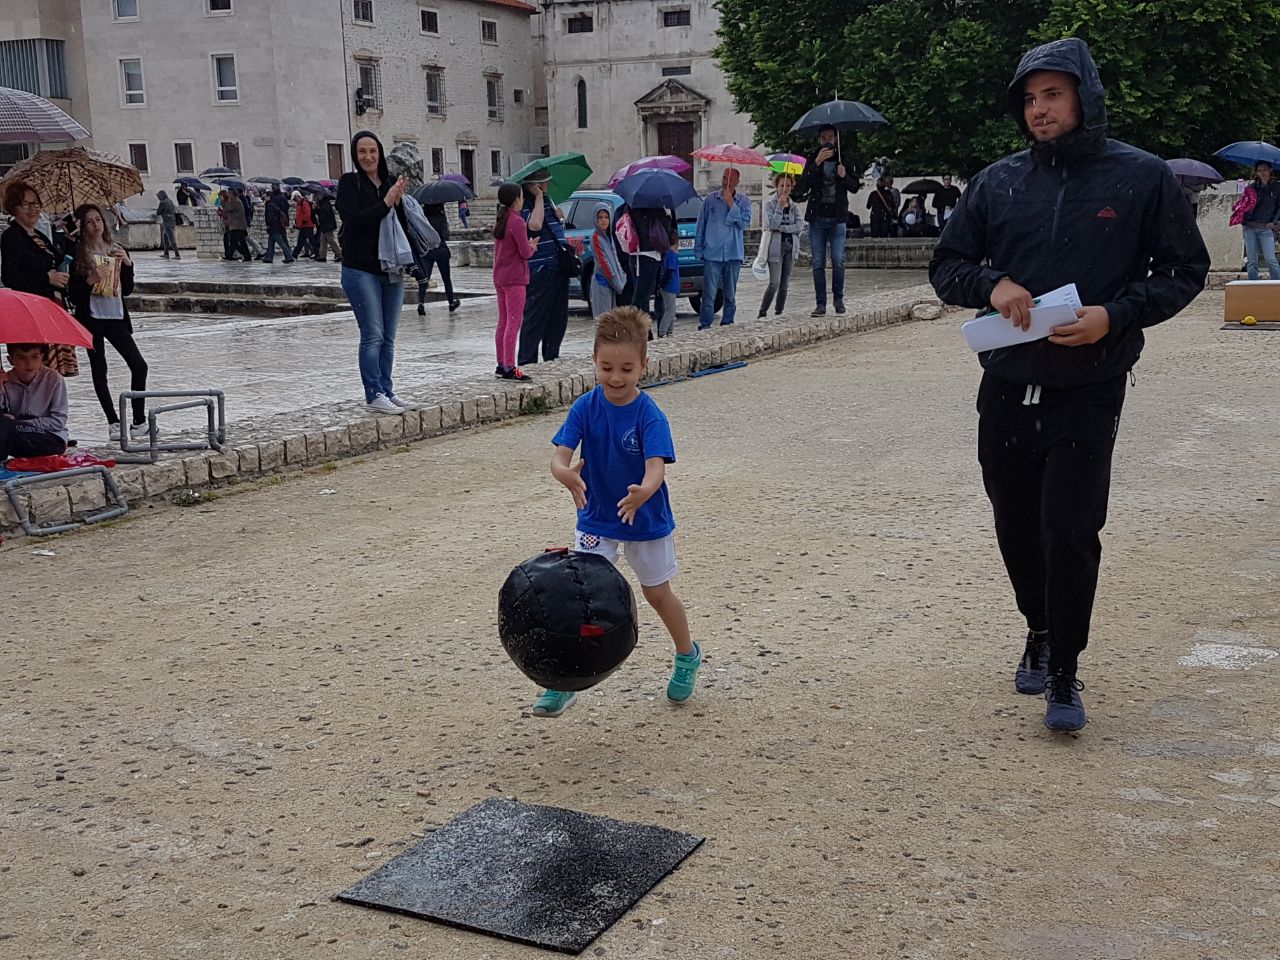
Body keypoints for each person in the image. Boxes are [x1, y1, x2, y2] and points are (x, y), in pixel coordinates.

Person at [929, 37, 1209, 733]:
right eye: (1029, 97)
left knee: (1071, 528)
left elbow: (1183, 271)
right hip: (1007, 383)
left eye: (1053, 94)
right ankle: (1039, 627)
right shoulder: (997, 182)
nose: (1039, 109)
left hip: (1090, 384)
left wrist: (1114, 317)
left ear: (1084, 96)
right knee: (1015, 520)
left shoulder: (1140, 179)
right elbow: (948, 266)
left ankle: (1065, 670)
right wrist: (993, 285)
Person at [538, 306, 700, 717]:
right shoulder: (585, 408)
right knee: (581, 594)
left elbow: (656, 467)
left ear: (644, 366)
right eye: (607, 367)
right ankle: (565, 679)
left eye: (626, 368)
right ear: (594, 362)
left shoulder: (649, 414)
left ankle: (686, 655)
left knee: (656, 594)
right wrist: (564, 475)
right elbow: (560, 456)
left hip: (644, 518)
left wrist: (644, 492)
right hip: (597, 518)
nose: (616, 377)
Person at [337, 128, 411, 413]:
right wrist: (386, 202)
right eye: (362, 152)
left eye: (372, 151)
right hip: (360, 269)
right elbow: (354, 222)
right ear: (356, 156)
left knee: (389, 337)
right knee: (373, 334)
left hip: (390, 269)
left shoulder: (390, 182)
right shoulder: (349, 184)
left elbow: (401, 225)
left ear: (380, 153)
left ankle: (387, 390)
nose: (368, 156)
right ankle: (373, 393)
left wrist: (400, 201)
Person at [67, 204, 150, 441]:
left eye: (98, 220)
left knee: (139, 365)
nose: (95, 225)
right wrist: (89, 280)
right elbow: (73, 295)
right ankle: (113, 421)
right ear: (82, 226)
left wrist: (128, 265)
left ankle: (139, 420)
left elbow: (128, 289)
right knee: (99, 369)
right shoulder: (78, 255)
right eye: (89, 221)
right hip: (92, 318)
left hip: (115, 316)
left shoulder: (115, 249)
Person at [798, 124, 856, 316]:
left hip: (837, 217)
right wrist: (816, 163)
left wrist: (844, 175)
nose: (827, 140)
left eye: (830, 137)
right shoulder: (813, 158)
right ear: (819, 140)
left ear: (836, 138)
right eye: (824, 137)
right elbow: (803, 186)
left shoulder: (843, 157)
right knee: (818, 262)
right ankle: (820, 303)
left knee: (838, 260)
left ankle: (838, 299)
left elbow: (855, 186)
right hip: (817, 218)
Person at [517, 169, 572, 366]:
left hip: (558, 267)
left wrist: (558, 216)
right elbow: (535, 225)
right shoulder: (525, 205)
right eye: (543, 184)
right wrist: (539, 197)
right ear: (534, 186)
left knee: (557, 319)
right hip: (541, 268)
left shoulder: (548, 203)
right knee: (535, 317)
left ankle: (551, 357)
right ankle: (526, 361)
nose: (547, 186)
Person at [694, 167, 751, 329]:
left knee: (730, 294)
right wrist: (699, 249)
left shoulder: (744, 201)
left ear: (737, 182)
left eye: (730, 179)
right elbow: (701, 224)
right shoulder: (710, 200)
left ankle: (727, 322)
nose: (726, 182)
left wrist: (731, 204)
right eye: (724, 178)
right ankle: (705, 324)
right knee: (709, 293)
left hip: (733, 253)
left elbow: (744, 223)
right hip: (712, 253)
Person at [491, 182, 535, 381]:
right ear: (516, 199)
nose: (523, 200)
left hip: (500, 276)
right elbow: (524, 252)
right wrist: (532, 246)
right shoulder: (517, 221)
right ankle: (510, 366)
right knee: (514, 322)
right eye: (522, 196)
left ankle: (501, 363)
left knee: (503, 321)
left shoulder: (502, 219)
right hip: (515, 278)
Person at [0, 343, 68, 461]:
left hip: (50, 438)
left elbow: (58, 421)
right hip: (18, 436)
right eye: (21, 358)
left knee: (6, 426)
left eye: (35, 357)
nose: (29, 363)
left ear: (43, 357)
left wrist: (21, 424)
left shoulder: (54, 379)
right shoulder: (6, 380)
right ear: (11, 360)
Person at [758, 172, 803, 317]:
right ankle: (763, 311)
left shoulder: (794, 206)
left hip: (790, 246)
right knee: (774, 283)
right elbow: (771, 224)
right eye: (782, 185)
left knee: (785, 284)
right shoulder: (769, 205)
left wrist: (784, 228)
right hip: (775, 248)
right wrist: (780, 207)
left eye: (788, 186)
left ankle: (779, 311)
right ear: (777, 187)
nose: (785, 189)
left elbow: (799, 226)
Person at [627, 205, 675, 332]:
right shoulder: (657, 208)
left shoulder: (630, 205)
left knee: (642, 294)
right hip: (649, 254)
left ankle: (644, 330)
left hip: (634, 254)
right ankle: (638, 329)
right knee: (642, 296)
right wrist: (667, 216)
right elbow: (666, 231)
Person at [416, 201, 461, 315]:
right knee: (446, 279)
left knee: (425, 278)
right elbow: (446, 235)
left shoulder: (423, 218)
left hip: (428, 250)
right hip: (441, 250)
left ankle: (421, 303)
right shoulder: (441, 217)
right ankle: (451, 302)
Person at [1238, 161, 1280, 280]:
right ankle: (1252, 285)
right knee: (1252, 260)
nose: (1263, 173)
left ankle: (1277, 286)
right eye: (1260, 170)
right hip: (1250, 227)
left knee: (1270, 259)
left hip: (1266, 227)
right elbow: (1244, 207)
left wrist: (1274, 222)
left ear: (1270, 170)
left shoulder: (1276, 187)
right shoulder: (1251, 188)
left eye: (1265, 170)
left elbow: (1278, 207)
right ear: (1256, 172)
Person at [589, 204, 626, 319]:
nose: (604, 220)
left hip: (612, 284)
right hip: (603, 283)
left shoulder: (610, 237)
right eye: (600, 217)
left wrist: (622, 278)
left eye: (606, 217)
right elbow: (603, 263)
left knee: (611, 319)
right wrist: (615, 280)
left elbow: (615, 260)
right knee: (603, 319)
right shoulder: (596, 238)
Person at [263, 186, 294, 264]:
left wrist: (268, 225)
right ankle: (269, 257)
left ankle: (289, 256)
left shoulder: (270, 204)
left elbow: (270, 217)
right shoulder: (280, 199)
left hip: (274, 226)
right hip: (279, 224)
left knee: (280, 242)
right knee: (271, 241)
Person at [221, 188, 253, 264]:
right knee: (240, 242)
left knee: (233, 242)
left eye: (229, 194)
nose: (228, 195)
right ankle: (247, 256)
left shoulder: (235, 202)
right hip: (237, 225)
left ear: (232, 194)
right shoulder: (234, 201)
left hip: (237, 225)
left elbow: (227, 208)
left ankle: (230, 256)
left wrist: (223, 201)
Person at [657, 246, 679, 337]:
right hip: (670, 286)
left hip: (668, 286)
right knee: (670, 310)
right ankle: (663, 331)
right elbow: (670, 270)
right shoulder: (672, 255)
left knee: (670, 309)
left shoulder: (666, 254)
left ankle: (670, 330)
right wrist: (663, 285)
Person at [291, 190, 319, 260]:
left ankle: (317, 253)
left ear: (298, 196)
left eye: (295, 198)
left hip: (307, 225)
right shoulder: (300, 203)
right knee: (302, 241)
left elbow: (307, 214)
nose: (295, 200)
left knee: (310, 240)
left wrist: (302, 221)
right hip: (304, 225)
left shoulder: (304, 203)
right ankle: (294, 255)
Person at [315, 195, 342, 263]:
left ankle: (339, 254)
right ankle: (322, 256)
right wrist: (316, 209)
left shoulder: (325, 204)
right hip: (325, 225)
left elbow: (324, 215)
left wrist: (318, 211)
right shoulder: (322, 204)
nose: (317, 197)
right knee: (323, 240)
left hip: (328, 225)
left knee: (330, 240)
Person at [156, 190, 180, 260]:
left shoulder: (162, 202)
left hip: (167, 223)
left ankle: (177, 254)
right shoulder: (170, 201)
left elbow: (158, 212)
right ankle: (166, 253)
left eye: (158, 196)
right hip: (172, 222)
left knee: (171, 239)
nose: (158, 197)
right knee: (165, 237)